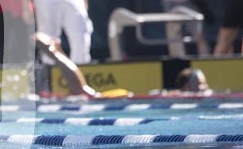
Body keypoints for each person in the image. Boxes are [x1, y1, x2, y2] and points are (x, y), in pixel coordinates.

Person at [35, 32, 211, 97]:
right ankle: (54, 52)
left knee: (85, 93)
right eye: (200, 84)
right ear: (186, 87)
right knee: (85, 93)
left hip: (127, 97)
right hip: (124, 97)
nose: (204, 88)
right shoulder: (180, 96)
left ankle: (58, 52)